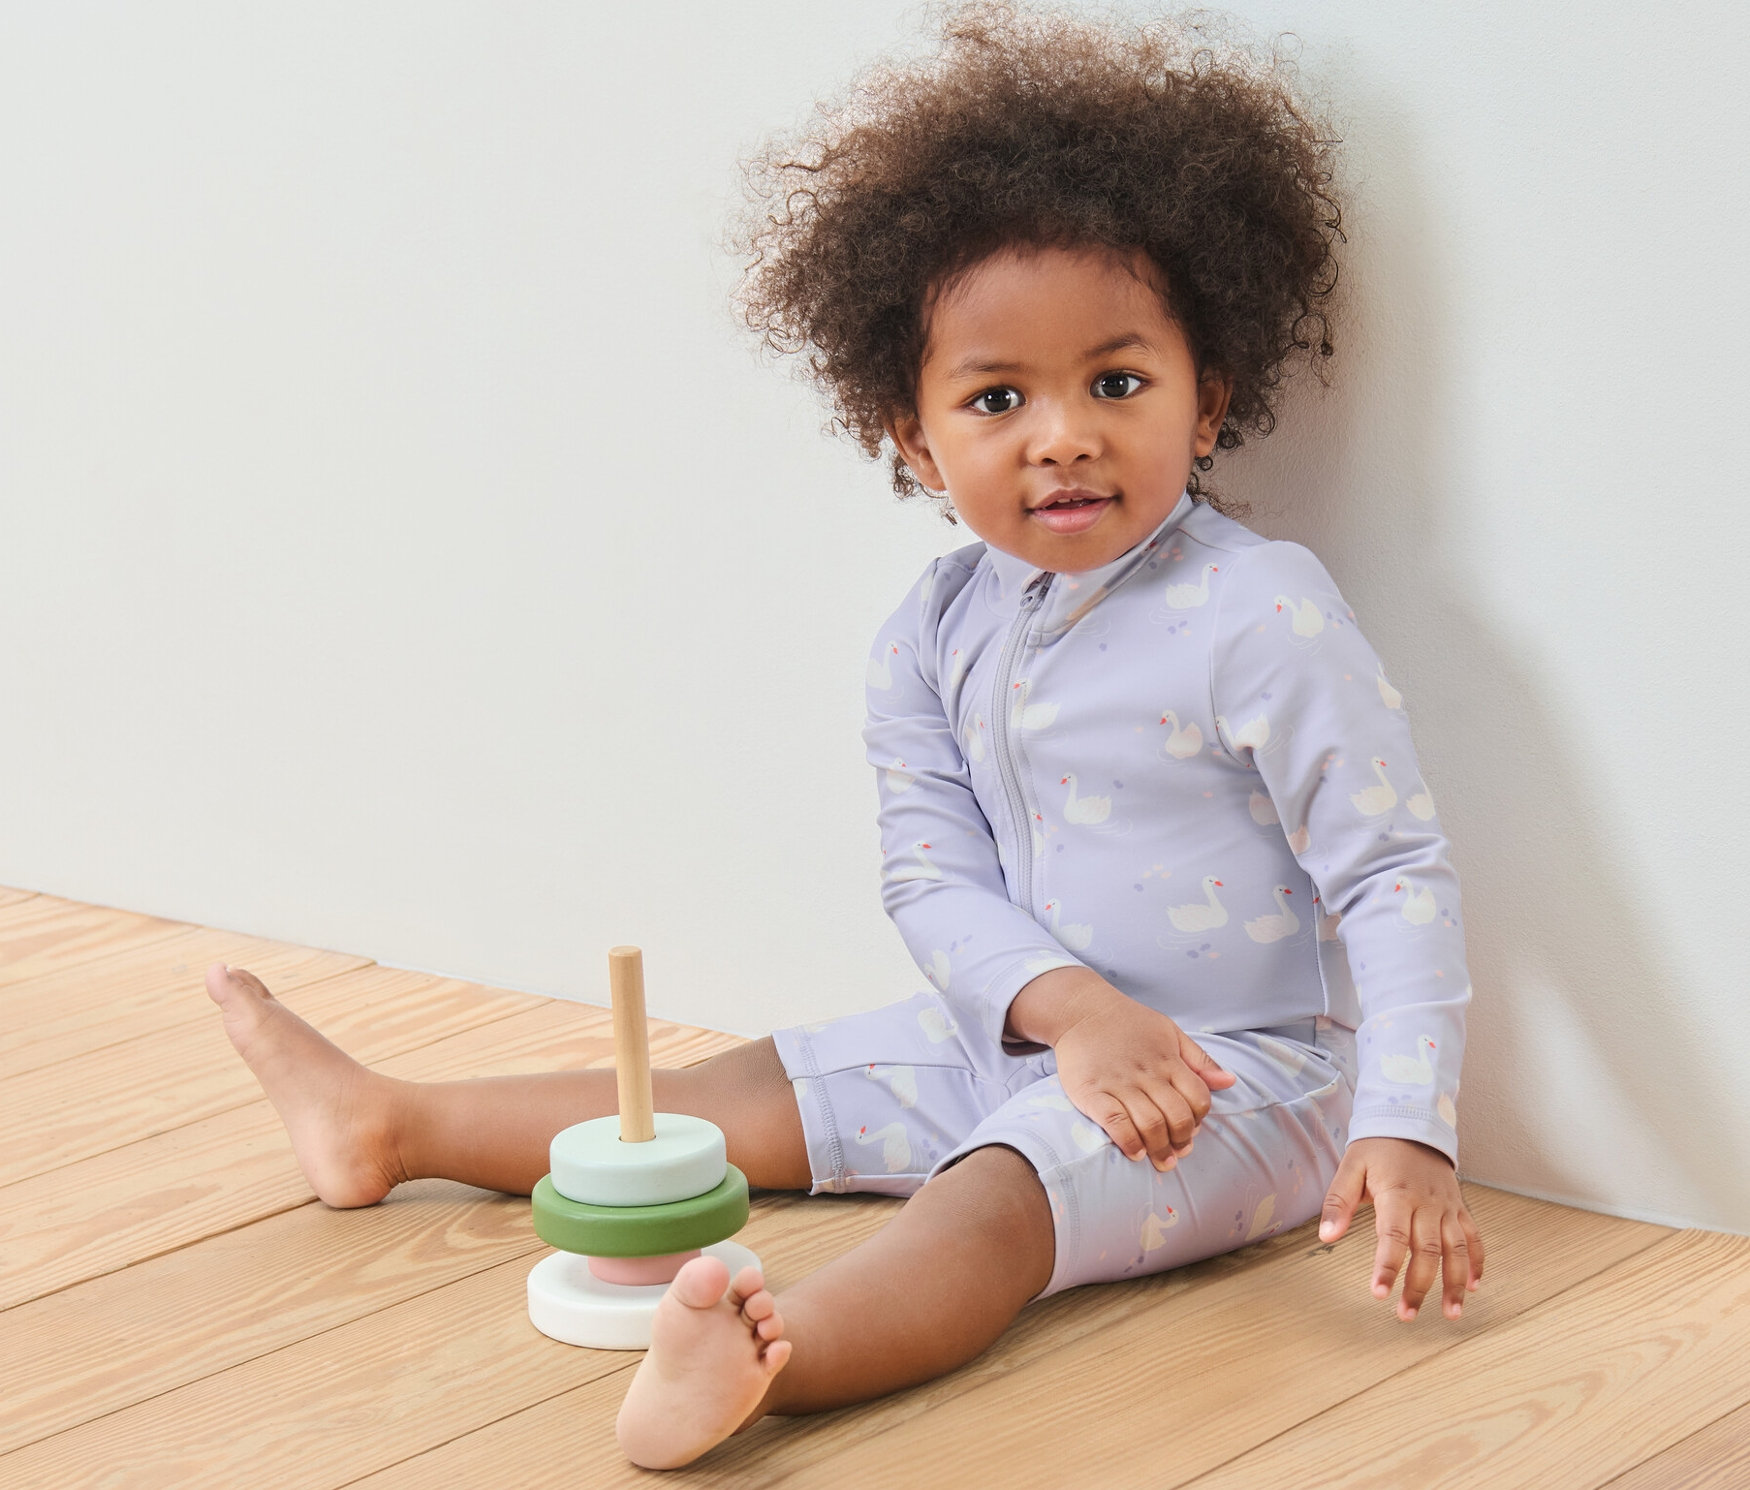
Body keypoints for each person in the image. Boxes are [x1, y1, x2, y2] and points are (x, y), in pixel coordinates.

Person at [207, 3, 1484, 1468]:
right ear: (910, 436)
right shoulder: (930, 629)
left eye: (1114, 383)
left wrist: (1407, 1123)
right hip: (1028, 1030)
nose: (1060, 433)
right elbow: (928, 879)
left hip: (1243, 1078)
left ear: (1211, 401)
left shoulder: (1261, 611)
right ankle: (395, 1122)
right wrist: (1069, 1014)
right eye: (996, 398)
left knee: (994, 1197)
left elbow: (1392, 872)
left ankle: (774, 1356)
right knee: (729, 1094)